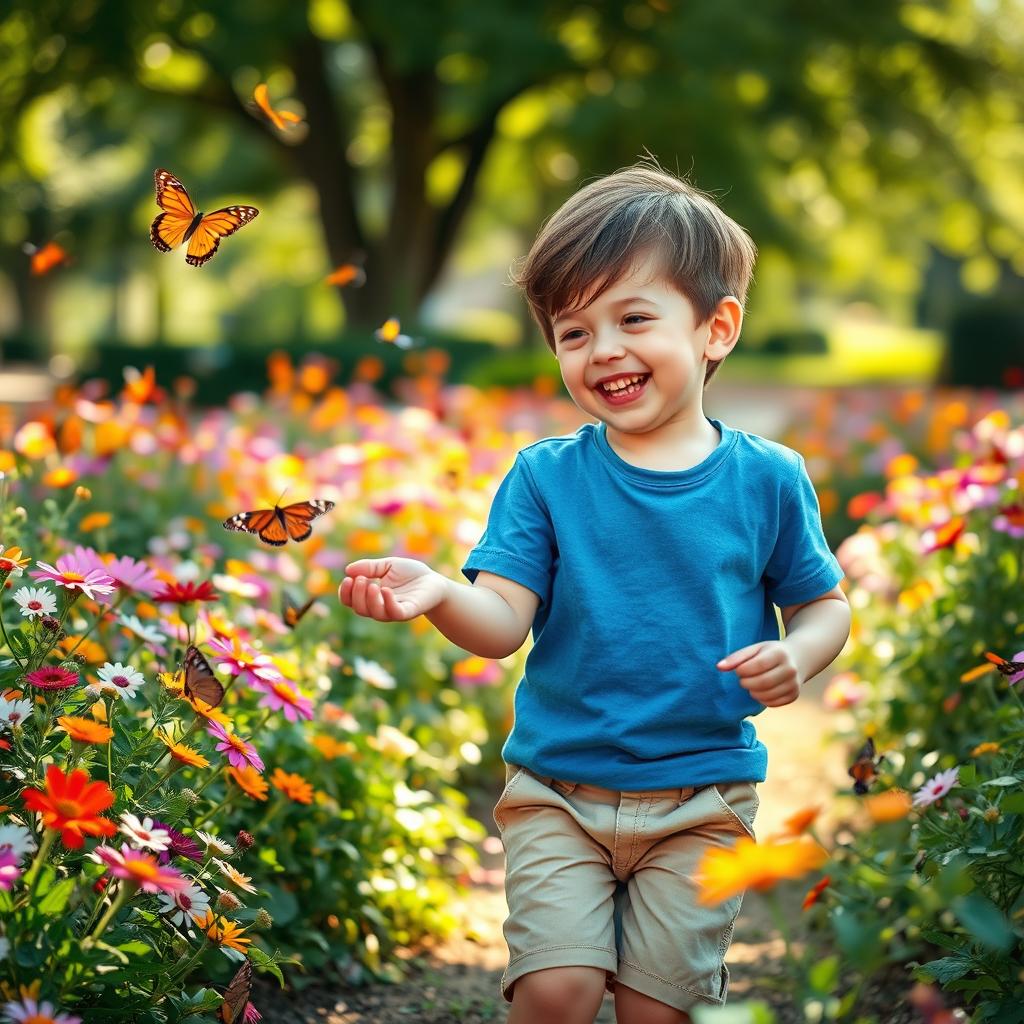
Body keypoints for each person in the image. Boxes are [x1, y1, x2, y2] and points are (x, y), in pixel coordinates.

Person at [339, 162, 852, 1024]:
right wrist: (435, 593)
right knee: (556, 989)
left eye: (634, 318)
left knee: (658, 1009)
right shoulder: (545, 477)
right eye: (573, 332)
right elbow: (503, 623)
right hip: (558, 791)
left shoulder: (767, 478)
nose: (603, 348)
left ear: (715, 328)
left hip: (703, 795)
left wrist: (797, 655)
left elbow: (824, 605)